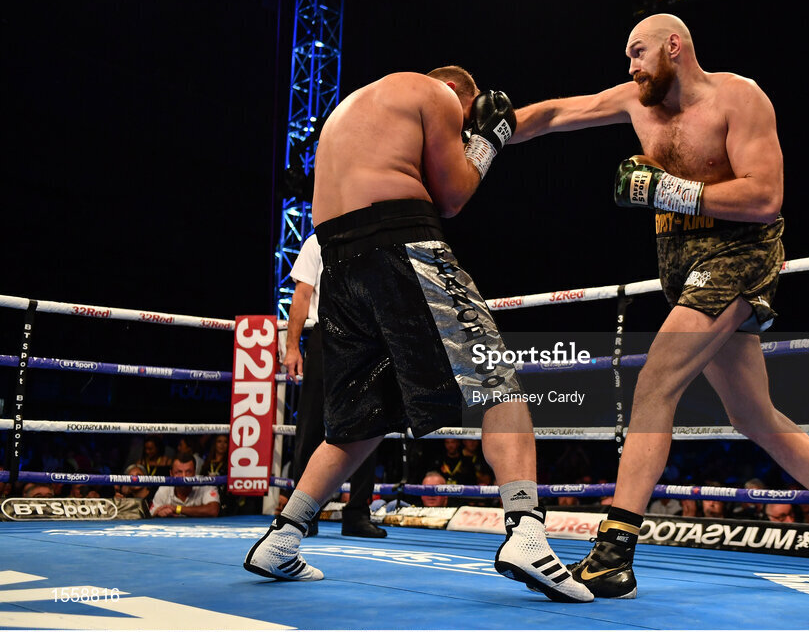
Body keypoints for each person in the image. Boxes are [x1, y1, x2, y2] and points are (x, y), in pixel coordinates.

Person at [511, 13, 809, 596]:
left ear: (674, 46)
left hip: (740, 255)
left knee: (655, 380)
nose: (631, 66)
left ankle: (614, 552)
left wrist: (667, 189)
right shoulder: (638, 102)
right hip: (682, 267)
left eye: (638, 52)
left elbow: (765, 196)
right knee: (752, 415)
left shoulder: (739, 98)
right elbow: (560, 112)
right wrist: (486, 133)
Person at [243, 66, 593, 603]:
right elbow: (451, 195)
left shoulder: (356, 108)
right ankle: (527, 532)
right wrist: (487, 141)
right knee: (496, 378)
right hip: (401, 244)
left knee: (361, 416)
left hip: (339, 264)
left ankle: (282, 537)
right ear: (460, 94)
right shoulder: (438, 94)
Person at [282, 232, 385, 538]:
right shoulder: (317, 241)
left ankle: (357, 514)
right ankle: (303, 514)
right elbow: (301, 295)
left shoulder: (374, 240)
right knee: (312, 426)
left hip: (368, 338)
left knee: (369, 422)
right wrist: (291, 347)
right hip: (325, 337)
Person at [150, 452, 220, 518]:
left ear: (194, 472)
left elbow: (213, 510)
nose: (184, 476)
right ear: (171, 474)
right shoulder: (164, 489)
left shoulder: (205, 483)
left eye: (188, 472)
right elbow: (151, 513)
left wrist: (177, 509)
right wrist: (158, 513)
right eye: (179, 472)